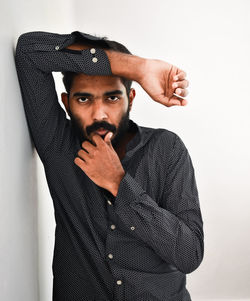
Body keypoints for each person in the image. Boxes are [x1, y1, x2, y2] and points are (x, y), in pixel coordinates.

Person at [15, 30, 204, 301]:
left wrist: (118, 184)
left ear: (131, 98)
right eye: (84, 99)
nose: (99, 113)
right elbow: (30, 50)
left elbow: (190, 254)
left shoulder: (167, 149)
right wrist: (138, 67)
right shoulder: (58, 144)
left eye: (112, 98)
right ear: (66, 103)